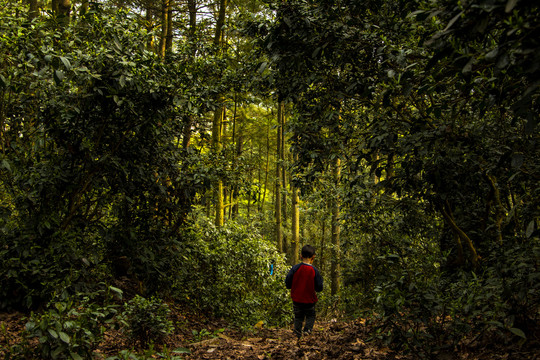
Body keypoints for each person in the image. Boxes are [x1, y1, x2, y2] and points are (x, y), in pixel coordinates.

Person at [285, 245, 324, 340]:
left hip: (297, 299)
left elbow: (287, 283)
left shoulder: (295, 268)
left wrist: (292, 287)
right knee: (310, 315)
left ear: (300, 255)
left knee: (298, 317)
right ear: (313, 257)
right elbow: (319, 287)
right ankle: (307, 331)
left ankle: (297, 334)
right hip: (309, 300)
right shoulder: (314, 271)